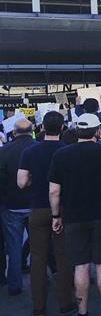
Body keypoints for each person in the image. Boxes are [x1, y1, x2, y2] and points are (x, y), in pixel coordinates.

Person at [48, 113, 101, 316]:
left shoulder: (61, 155)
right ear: (97, 131)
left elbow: (54, 190)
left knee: (80, 265)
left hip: (74, 216)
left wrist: (56, 216)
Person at [17, 111, 75, 316]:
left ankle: (38, 306)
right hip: (62, 209)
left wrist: (35, 183)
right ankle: (66, 302)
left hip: (37, 209)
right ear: (62, 128)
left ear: (42, 127)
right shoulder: (68, 151)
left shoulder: (30, 152)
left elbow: (22, 182)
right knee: (63, 255)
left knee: (38, 257)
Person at [0, 118, 36, 296]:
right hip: (35, 204)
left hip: (11, 206)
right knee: (40, 244)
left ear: (14, 133)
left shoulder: (4, 151)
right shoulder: (38, 148)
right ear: (32, 130)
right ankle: (44, 279)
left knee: (13, 246)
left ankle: (14, 285)